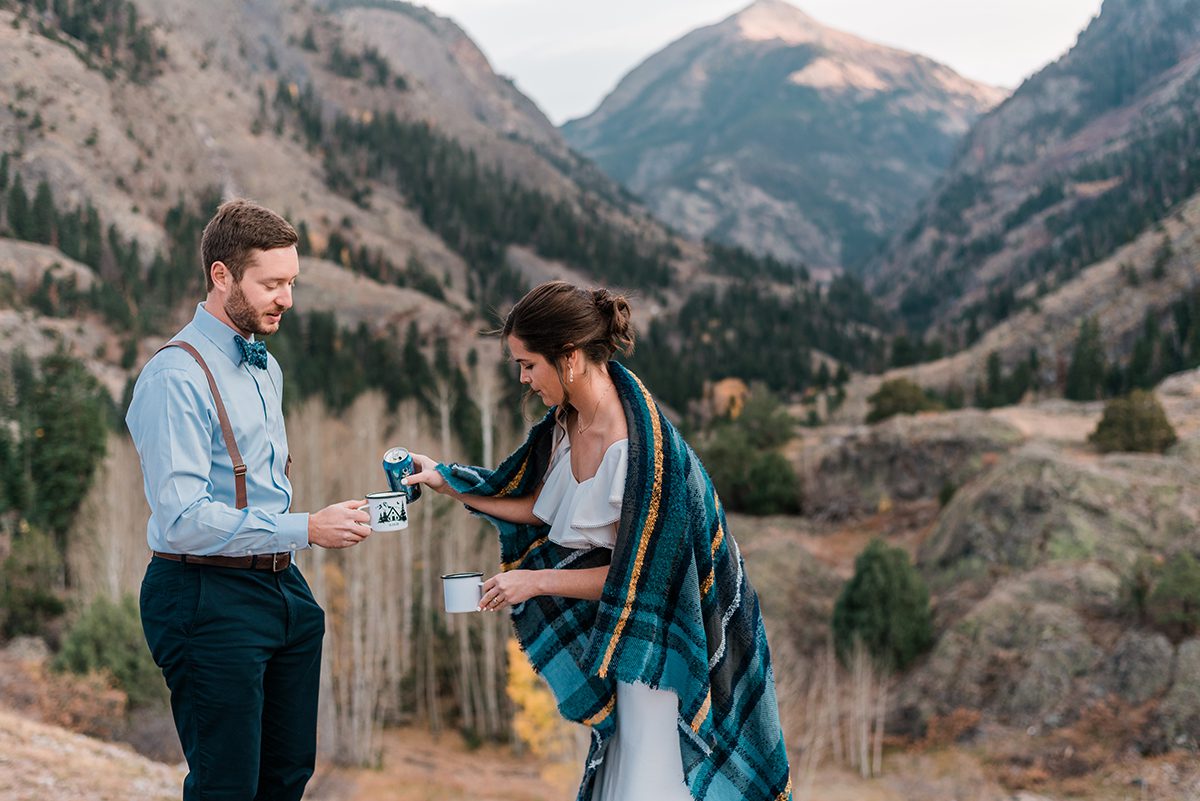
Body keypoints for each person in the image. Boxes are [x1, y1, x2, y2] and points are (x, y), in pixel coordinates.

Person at [406, 280, 792, 801]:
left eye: (528, 364)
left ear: (568, 358)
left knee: (652, 783)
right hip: (621, 643)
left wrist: (534, 580)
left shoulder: (639, 452)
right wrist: (444, 479)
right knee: (621, 773)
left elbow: (647, 581)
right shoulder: (567, 421)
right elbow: (536, 502)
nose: (522, 378)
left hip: (665, 650)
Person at [126, 199, 371, 801]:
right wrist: (305, 528)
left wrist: (312, 529)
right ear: (222, 275)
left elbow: (256, 488)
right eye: (271, 284)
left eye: (291, 283)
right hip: (204, 594)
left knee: (286, 779)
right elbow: (181, 520)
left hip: (281, 590)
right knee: (226, 787)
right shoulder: (174, 376)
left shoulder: (267, 366)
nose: (286, 298)